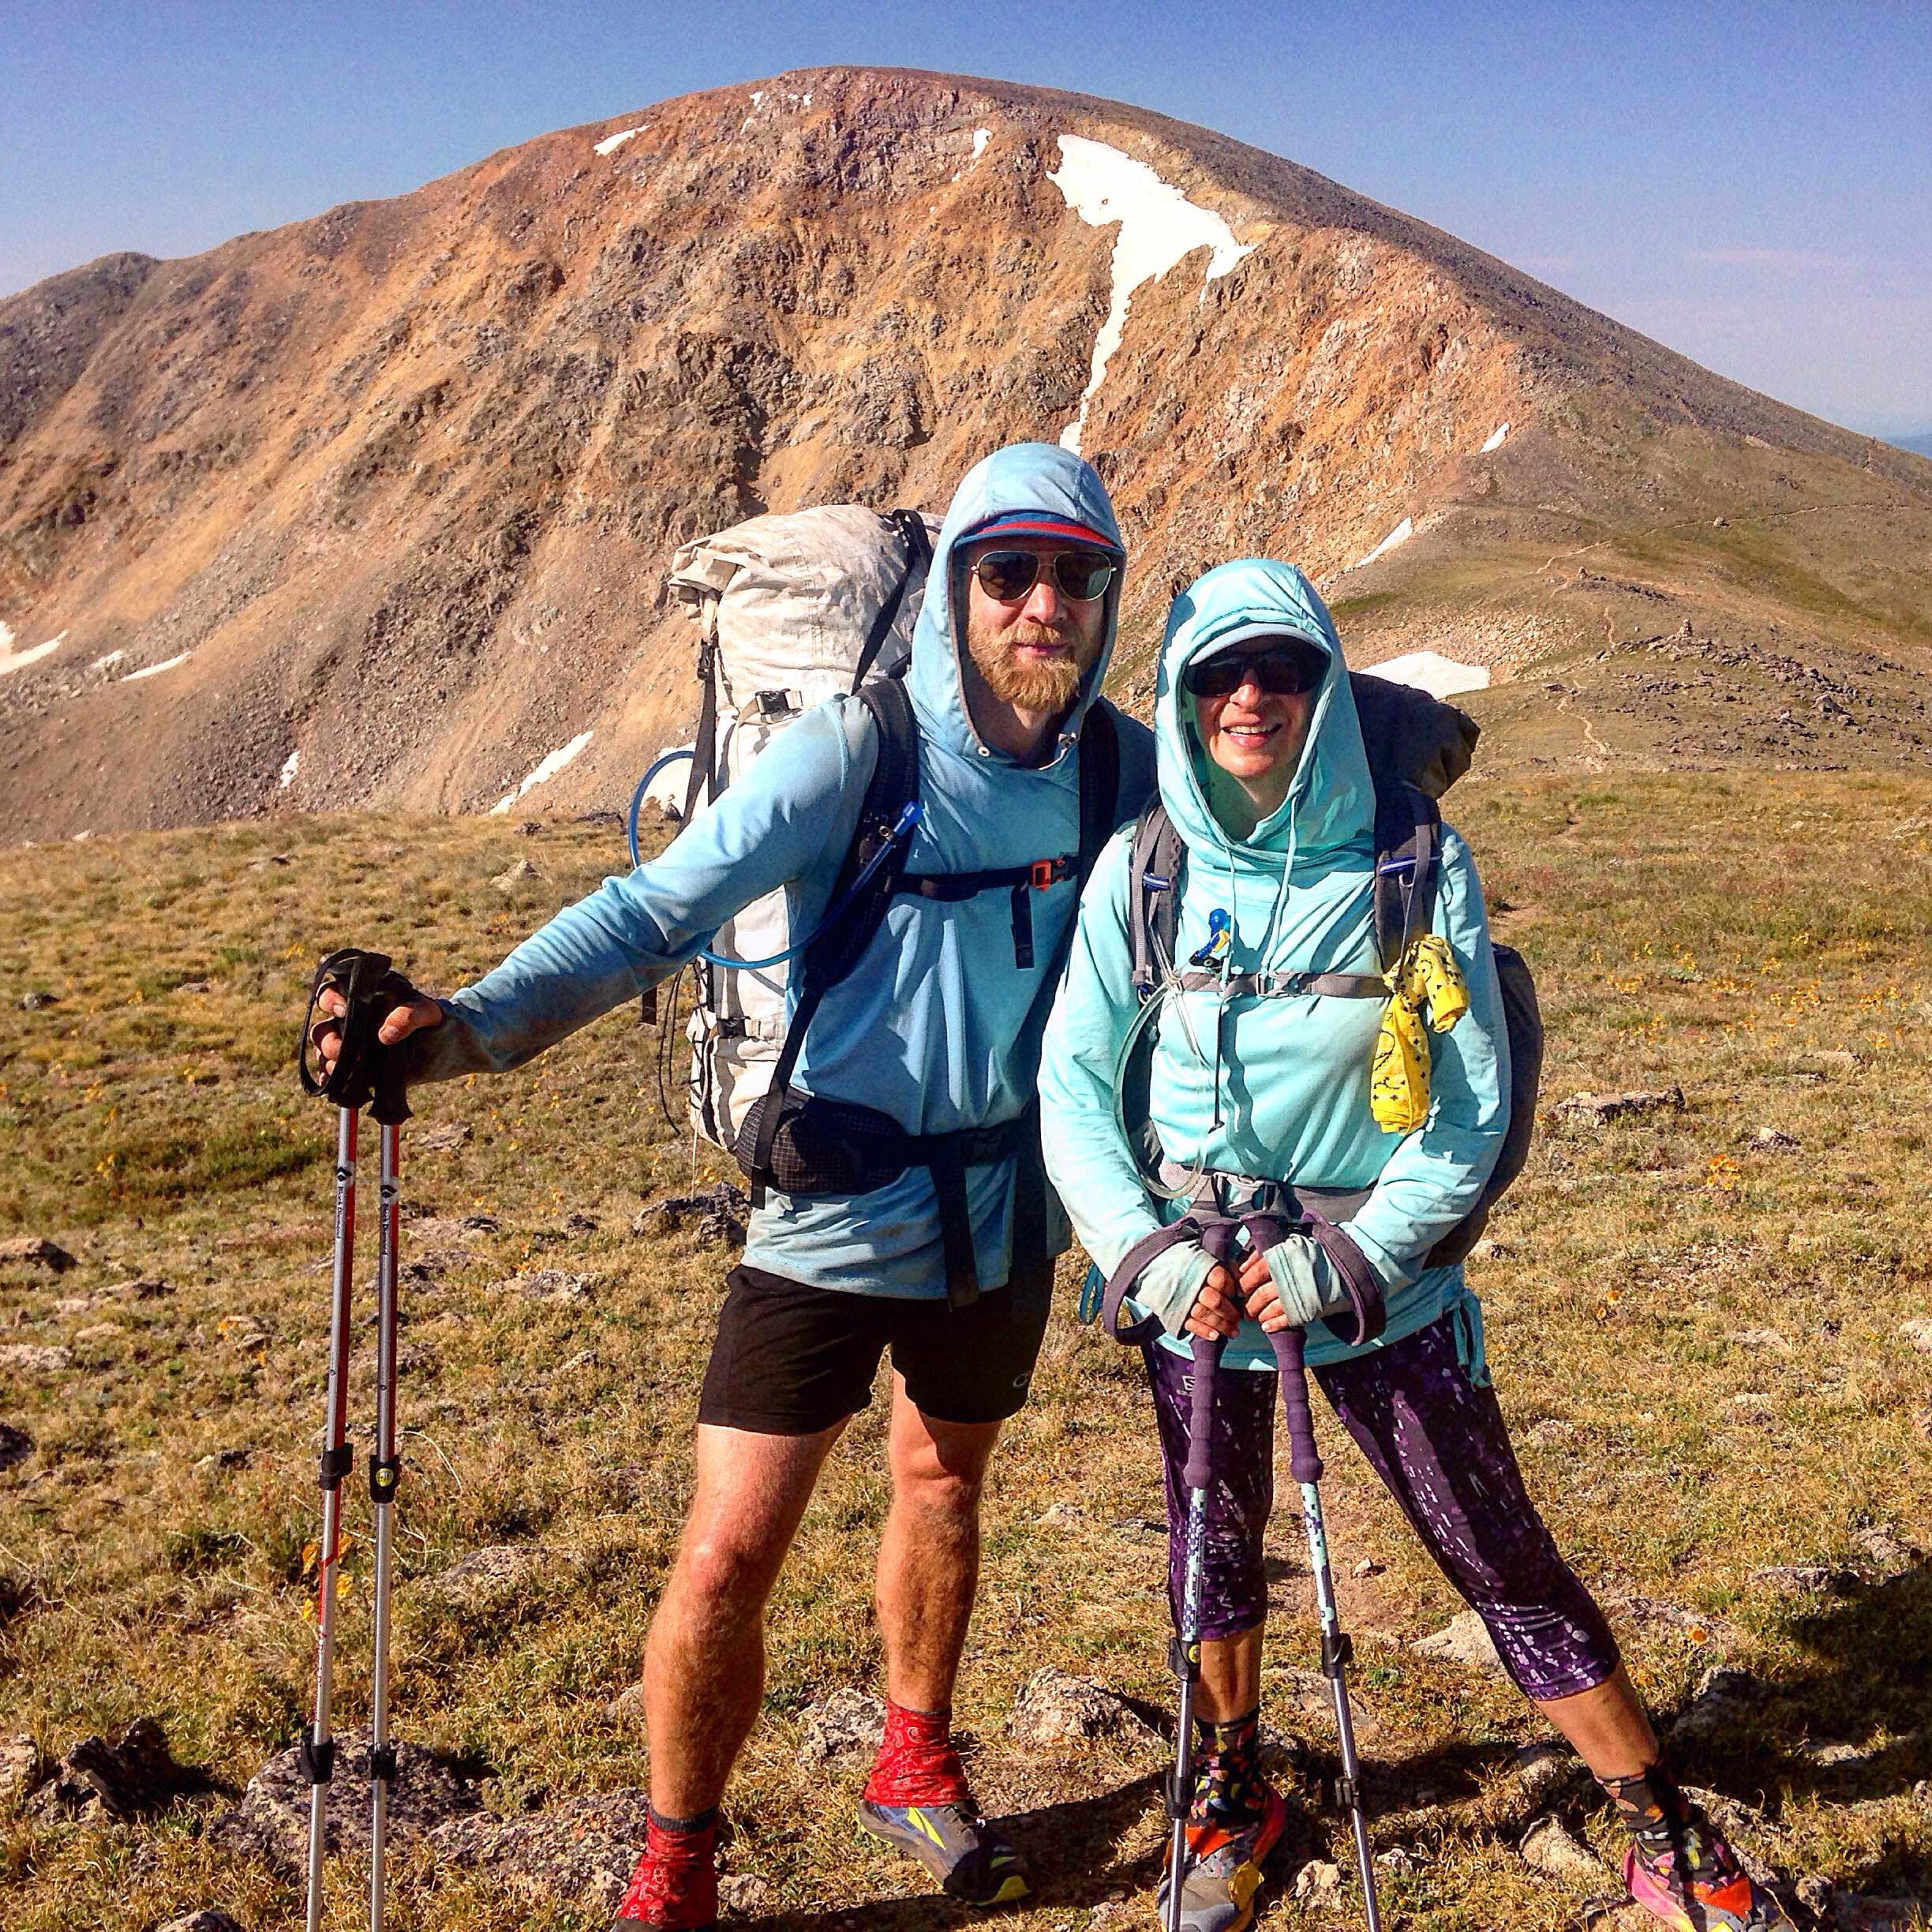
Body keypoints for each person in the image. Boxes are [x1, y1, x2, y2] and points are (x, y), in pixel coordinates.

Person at [310, 443, 1155, 1930]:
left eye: (1073, 577)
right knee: (724, 1557)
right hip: (828, 1209)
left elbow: (1275, 809)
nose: (1041, 606)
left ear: (1106, 599)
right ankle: (678, 1861)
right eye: (1007, 573)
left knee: (942, 1481)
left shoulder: (1122, 769)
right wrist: (469, 1031)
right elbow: (656, 908)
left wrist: (1398, 767)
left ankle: (911, 1759)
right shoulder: (855, 750)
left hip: (1010, 1217)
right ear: (960, 587)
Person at [1037, 559, 1792, 1932]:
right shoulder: (1140, 869)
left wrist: (1349, 1261)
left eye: (1279, 669)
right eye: (1216, 674)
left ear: (1326, 684)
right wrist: (1146, 1257)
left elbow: (1470, 1110)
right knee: (1212, 1542)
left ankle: (1655, 1823)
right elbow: (1076, 1087)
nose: (1248, 696)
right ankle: (1231, 1793)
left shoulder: (1413, 861)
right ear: (1179, 694)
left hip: (1383, 1288)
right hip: (1195, 1287)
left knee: (1494, 1551)